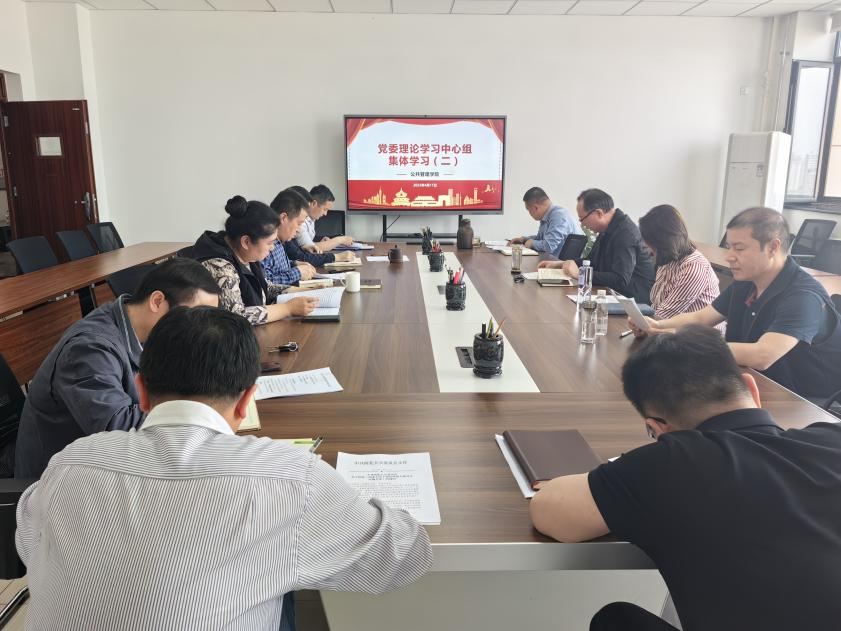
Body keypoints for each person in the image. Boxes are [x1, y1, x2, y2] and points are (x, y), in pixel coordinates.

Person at [16, 306, 433, 630]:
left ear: (140, 392)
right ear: (247, 399)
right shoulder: (290, 478)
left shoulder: (70, 463)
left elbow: (29, 543)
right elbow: (403, 557)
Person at [530, 326, 841, 631]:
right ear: (752, 388)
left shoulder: (668, 464)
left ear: (657, 428)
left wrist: (615, 483)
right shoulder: (833, 438)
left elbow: (549, 512)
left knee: (615, 619)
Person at [14, 258, 221, 479]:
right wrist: (200, 407)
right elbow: (118, 431)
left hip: (105, 465)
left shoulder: (149, 332)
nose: (199, 331)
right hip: (60, 482)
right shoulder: (89, 348)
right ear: (157, 301)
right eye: (194, 318)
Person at [631, 207, 841, 400]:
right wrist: (657, 325)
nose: (729, 256)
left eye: (739, 249)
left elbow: (763, 355)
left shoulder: (803, 296)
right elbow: (701, 317)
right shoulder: (747, 282)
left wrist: (682, 343)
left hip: (801, 401)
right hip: (751, 381)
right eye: (729, 247)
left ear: (773, 247)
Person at [193, 195, 318, 326]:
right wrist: (287, 309)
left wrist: (307, 290)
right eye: (269, 243)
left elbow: (266, 287)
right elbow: (237, 316)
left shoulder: (245, 253)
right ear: (246, 242)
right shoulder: (220, 266)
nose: (273, 248)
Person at [538, 189, 655, 303]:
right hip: (610, 294)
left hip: (632, 303)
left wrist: (580, 274)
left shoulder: (625, 233)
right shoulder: (607, 229)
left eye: (582, 219)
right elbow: (591, 261)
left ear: (599, 213)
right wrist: (560, 264)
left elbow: (620, 279)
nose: (582, 224)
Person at [638, 204, 719, 319]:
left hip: (696, 331)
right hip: (670, 327)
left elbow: (664, 316)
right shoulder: (668, 259)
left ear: (662, 242)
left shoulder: (693, 268)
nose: (646, 246)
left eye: (649, 242)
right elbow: (657, 307)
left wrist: (642, 322)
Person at [262, 188, 354, 285]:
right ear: (284, 218)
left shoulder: (279, 241)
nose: (299, 230)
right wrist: (297, 272)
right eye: (299, 223)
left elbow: (278, 267)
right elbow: (265, 284)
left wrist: (294, 263)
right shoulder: (265, 242)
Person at [508, 187, 581, 258]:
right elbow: (540, 239)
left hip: (562, 263)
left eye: (528, 210)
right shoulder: (547, 216)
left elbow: (549, 246)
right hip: (552, 261)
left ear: (536, 208)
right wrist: (524, 239)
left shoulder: (559, 215)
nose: (529, 213)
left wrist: (532, 243)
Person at [296, 184, 354, 253]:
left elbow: (309, 245)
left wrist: (323, 243)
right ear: (314, 204)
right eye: (324, 209)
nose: (325, 214)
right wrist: (340, 240)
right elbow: (311, 248)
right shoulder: (300, 221)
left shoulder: (311, 219)